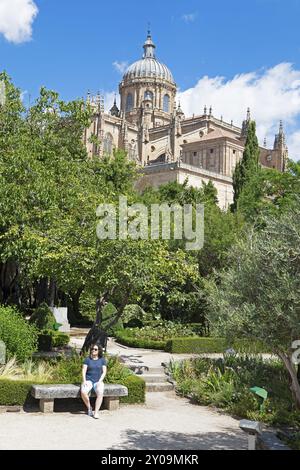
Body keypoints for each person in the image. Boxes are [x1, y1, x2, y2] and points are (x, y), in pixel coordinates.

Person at [81, 344, 107, 419]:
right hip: (88, 380)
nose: (93, 350)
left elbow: (104, 372)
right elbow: (83, 371)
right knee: (83, 392)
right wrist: (84, 381)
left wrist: (100, 381)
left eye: (95, 349)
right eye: (92, 349)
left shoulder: (102, 360)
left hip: (98, 381)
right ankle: (89, 408)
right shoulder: (87, 359)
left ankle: (96, 412)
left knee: (100, 393)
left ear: (99, 351)